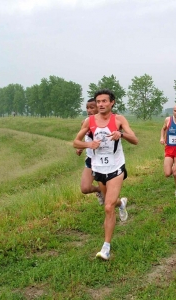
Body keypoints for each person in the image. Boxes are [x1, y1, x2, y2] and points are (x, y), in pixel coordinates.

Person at [73, 89, 138, 260]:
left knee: (108, 207)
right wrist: (89, 145)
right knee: (111, 202)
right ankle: (122, 203)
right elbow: (75, 142)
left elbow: (135, 139)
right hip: (98, 169)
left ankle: (106, 248)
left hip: (116, 168)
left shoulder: (118, 119)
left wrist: (121, 134)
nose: (101, 104)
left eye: (104, 101)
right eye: (98, 101)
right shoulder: (89, 121)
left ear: (112, 103)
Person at [75, 98, 104, 205]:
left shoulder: (105, 122)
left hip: (104, 160)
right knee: (85, 188)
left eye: (92, 107)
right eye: (87, 108)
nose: (89, 110)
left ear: (99, 108)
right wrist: (81, 147)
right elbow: (85, 138)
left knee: (109, 200)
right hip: (90, 159)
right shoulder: (85, 122)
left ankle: (118, 205)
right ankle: (99, 190)